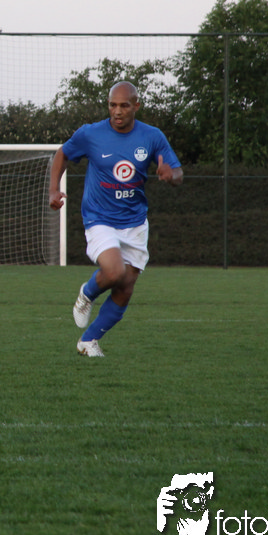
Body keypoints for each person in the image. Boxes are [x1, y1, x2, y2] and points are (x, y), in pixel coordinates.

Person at [48, 81, 183, 357]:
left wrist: (171, 176)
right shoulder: (91, 134)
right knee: (113, 272)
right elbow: (62, 153)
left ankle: (89, 341)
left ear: (136, 106)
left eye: (124, 105)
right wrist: (53, 189)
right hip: (99, 218)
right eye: (112, 105)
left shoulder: (152, 136)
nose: (117, 111)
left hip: (135, 223)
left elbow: (178, 173)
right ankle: (87, 293)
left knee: (125, 287)